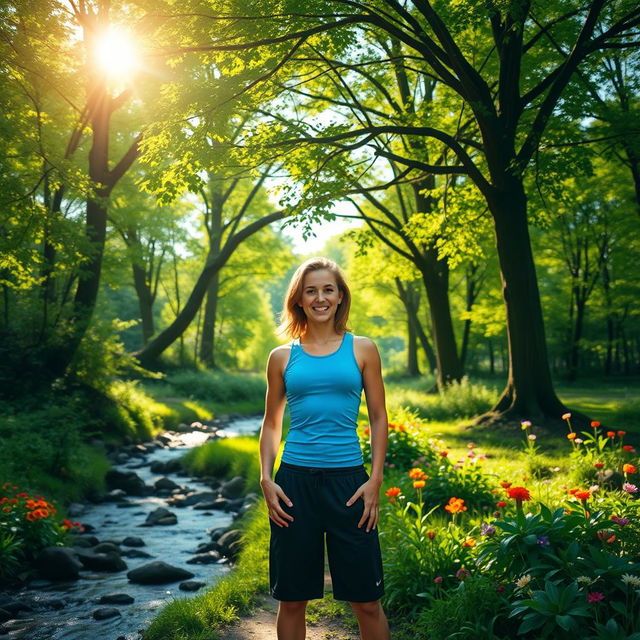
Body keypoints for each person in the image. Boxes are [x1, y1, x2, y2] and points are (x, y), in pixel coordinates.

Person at [259, 256, 391, 640]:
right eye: (310, 290)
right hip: (294, 485)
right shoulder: (282, 357)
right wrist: (266, 479)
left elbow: (379, 418)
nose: (320, 297)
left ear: (339, 297)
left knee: (366, 600)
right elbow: (271, 424)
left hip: (350, 485)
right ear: (298, 299)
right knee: (292, 600)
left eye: (327, 289)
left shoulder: (363, 349)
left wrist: (375, 480)